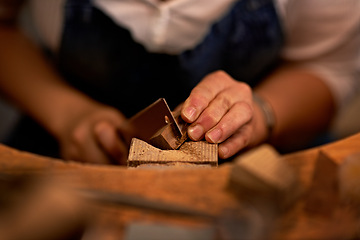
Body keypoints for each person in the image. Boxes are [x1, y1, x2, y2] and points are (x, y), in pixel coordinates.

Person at [0, 0, 359, 164]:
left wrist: (263, 112)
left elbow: (331, 67)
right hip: (66, 139)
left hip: (259, 154)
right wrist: (66, 113)